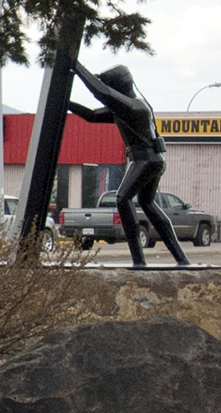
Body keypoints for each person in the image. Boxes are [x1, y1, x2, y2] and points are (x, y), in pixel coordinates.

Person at [67, 61, 191, 267]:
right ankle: (181, 258)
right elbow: (91, 116)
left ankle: (139, 261)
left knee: (122, 199)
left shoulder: (135, 107)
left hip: (145, 159)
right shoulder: (125, 109)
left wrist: (76, 66)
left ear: (119, 87)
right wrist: (67, 103)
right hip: (151, 160)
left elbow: (101, 93)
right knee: (147, 203)